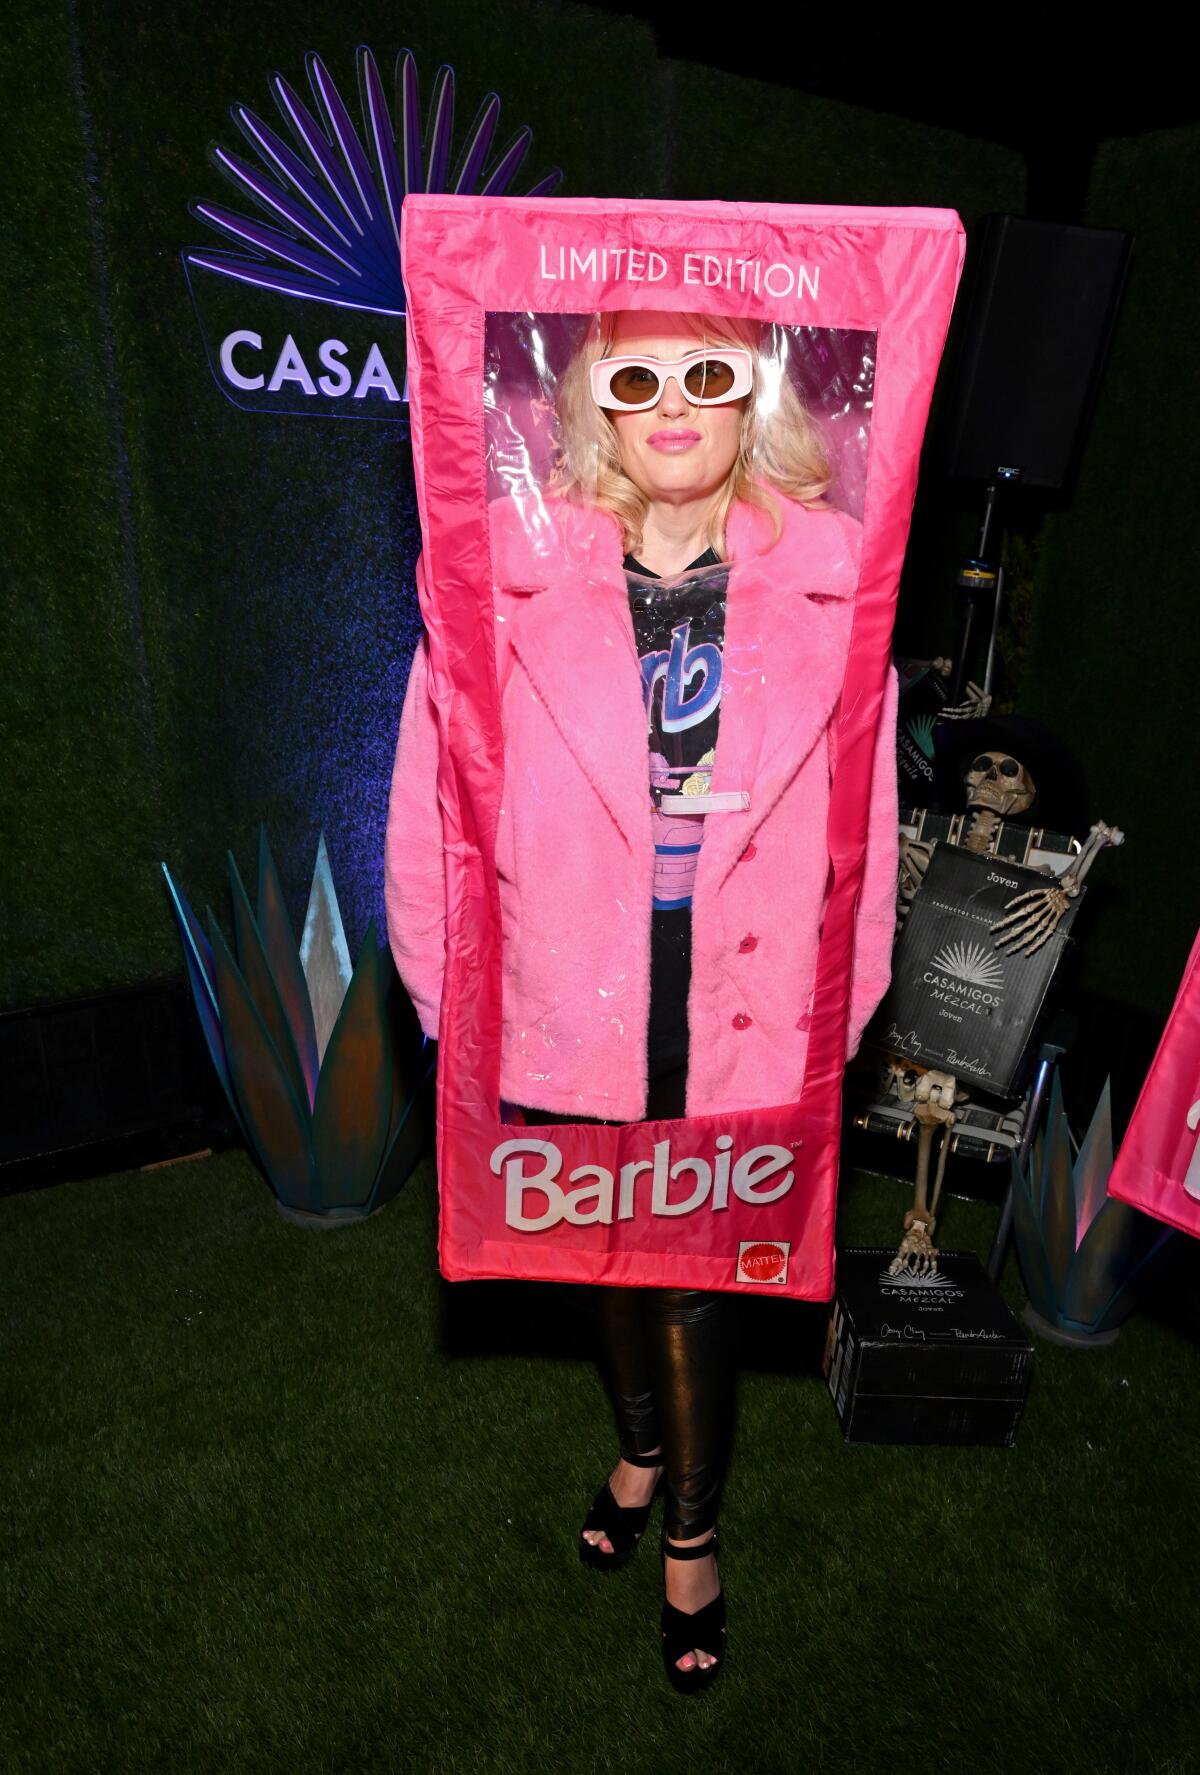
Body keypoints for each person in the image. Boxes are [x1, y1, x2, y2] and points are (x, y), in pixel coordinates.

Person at [385, 308, 899, 1693]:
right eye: (637, 377)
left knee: (693, 1279)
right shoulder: (500, 583)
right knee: (599, 1256)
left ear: (754, 402)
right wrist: (450, 1005)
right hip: (571, 990)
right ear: (593, 407)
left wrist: (837, 1023)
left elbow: (872, 825)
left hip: (748, 1001)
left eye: (708, 374)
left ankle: (691, 1529)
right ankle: (639, 1442)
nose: (674, 403)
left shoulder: (847, 590)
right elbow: (432, 806)